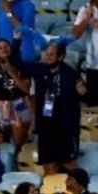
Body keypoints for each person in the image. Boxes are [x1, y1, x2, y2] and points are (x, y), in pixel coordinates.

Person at [25, 42, 85, 175]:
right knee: (48, 164)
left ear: (61, 57)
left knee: (68, 163)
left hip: (65, 126)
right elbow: (18, 64)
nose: (47, 57)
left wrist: (83, 91)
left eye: (51, 55)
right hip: (46, 124)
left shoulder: (70, 74)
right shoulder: (39, 69)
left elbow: (84, 94)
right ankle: (52, 193)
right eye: (47, 54)